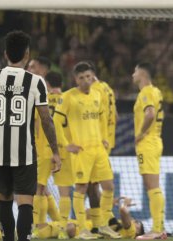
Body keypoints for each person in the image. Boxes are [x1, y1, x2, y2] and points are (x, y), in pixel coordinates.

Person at [0, 30, 61, 241]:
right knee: (26, 202)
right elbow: (46, 119)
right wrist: (55, 151)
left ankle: (8, 238)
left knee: (4, 201)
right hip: (24, 153)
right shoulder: (36, 82)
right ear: (27, 54)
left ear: (6, 53)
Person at [53, 61, 120, 240]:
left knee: (108, 186)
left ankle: (103, 224)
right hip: (81, 151)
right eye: (81, 77)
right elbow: (56, 122)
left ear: (93, 77)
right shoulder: (67, 97)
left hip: (98, 149)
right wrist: (66, 144)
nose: (85, 80)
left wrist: (105, 137)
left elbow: (103, 118)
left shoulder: (98, 95)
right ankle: (82, 229)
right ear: (75, 79)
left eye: (88, 76)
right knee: (81, 188)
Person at [27, 58, 67, 239]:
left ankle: (38, 226)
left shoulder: (38, 93)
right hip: (63, 148)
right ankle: (59, 223)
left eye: (32, 67)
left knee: (38, 188)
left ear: (43, 70)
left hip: (42, 148)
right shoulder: (65, 97)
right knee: (45, 189)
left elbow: (39, 122)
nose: (29, 70)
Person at [131, 62, 167, 240]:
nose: (133, 75)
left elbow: (150, 114)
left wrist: (140, 134)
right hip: (154, 141)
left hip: (148, 142)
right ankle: (158, 229)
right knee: (151, 186)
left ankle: (157, 229)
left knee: (152, 186)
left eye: (135, 71)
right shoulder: (156, 91)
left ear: (142, 74)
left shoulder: (146, 92)